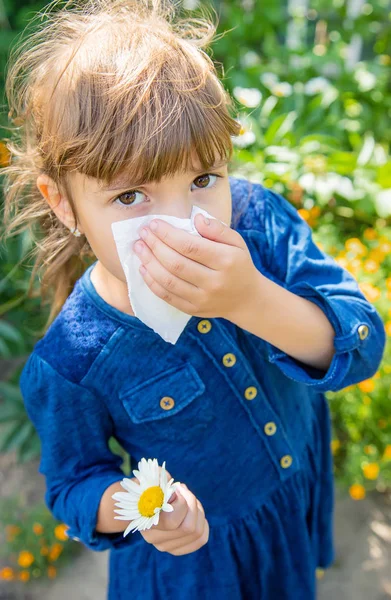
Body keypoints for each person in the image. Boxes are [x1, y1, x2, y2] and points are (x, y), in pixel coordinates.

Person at [1, 0, 386, 598]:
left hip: (287, 509)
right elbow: (73, 485)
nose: (183, 221)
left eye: (203, 180)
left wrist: (251, 299)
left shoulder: (258, 226)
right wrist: (141, 509)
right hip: (197, 570)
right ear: (62, 202)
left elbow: (362, 345)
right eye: (131, 196)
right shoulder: (74, 360)